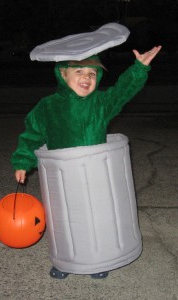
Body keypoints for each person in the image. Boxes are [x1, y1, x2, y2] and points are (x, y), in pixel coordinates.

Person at [11, 45, 161, 278]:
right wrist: (22, 161)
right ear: (63, 74)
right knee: (64, 221)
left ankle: (98, 260)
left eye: (92, 74)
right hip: (62, 177)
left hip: (95, 175)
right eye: (79, 71)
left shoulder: (101, 103)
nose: (86, 78)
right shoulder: (47, 107)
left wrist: (139, 68)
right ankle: (65, 261)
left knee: (96, 217)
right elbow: (32, 135)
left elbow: (123, 91)